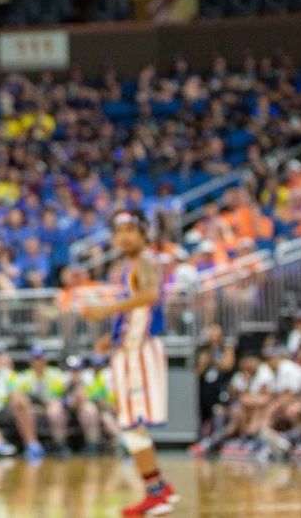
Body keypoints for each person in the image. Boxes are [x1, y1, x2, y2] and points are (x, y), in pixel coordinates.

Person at [81, 212, 176, 516]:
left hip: (141, 351)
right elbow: (134, 310)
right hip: (128, 349)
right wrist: (112, 337)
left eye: (129, 230)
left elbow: (149, 296)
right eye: (118, 230)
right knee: (130, 424)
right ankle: (158, 487)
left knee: (133, 423)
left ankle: (156, 492)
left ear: (143, 234)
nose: (123, 236)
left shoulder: (147, 260)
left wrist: (106, 309)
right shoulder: (129, 266)